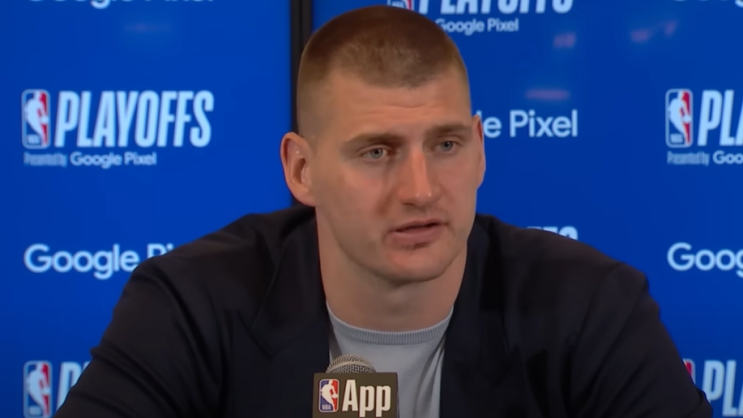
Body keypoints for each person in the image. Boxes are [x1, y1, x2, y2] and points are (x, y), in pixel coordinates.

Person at [56, 5, 712, 418]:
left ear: (480, 151)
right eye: (377, 152)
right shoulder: (192, 304)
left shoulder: (591, 306)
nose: (420, 190)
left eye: (446, 145)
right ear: (301, 170)